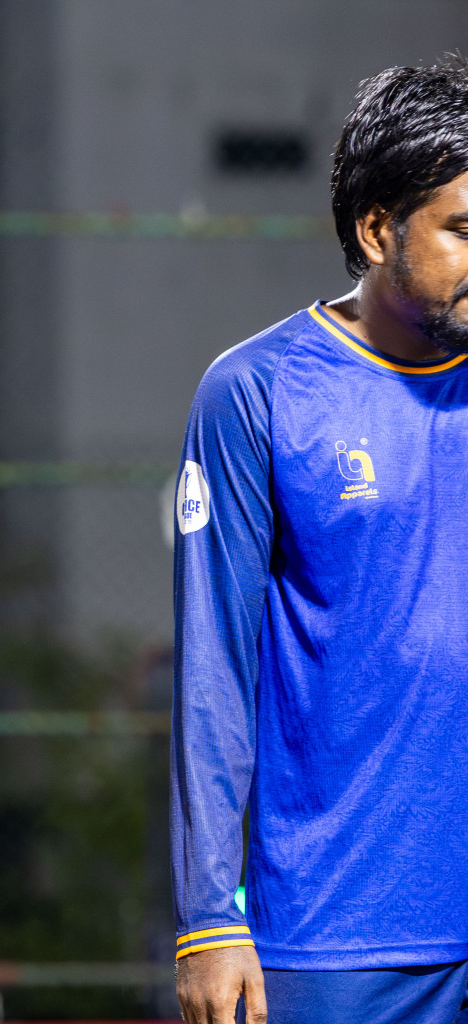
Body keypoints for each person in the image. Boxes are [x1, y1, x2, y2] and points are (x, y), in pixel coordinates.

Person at [174, 61, 468, 1024]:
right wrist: (210, 919)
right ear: (378, 230)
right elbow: (214, 669)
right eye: (463, 231)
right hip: (338, 933)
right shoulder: (256, 391)